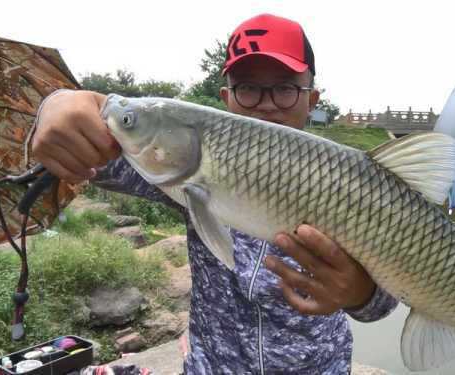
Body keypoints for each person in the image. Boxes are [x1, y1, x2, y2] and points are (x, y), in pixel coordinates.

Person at [31, 13, 398, 374]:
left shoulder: (352, 186)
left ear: (312, 99)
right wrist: (57, 104)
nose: (266, 103)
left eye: (285, 88)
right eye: (248, 87)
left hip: (321, 367)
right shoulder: (186, 167)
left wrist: (361, 295)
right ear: (226, 97)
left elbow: (381, 307)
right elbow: (88, 159)